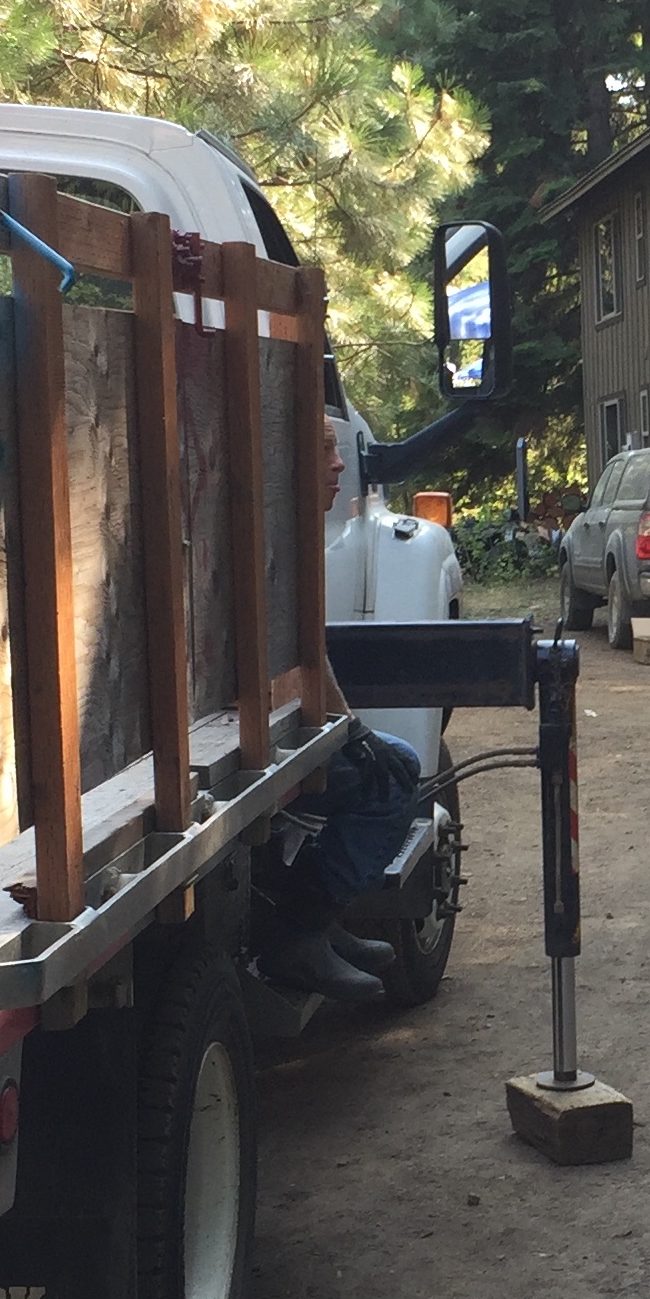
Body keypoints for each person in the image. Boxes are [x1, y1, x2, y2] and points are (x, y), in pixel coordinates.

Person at [257, 419, 406, 1006]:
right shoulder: (276, 544)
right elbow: (302, 662)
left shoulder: (283, 532)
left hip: (270, 726)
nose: (341, 465)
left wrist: (349, 730)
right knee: (394, 777)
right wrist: (355, 735)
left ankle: (314, 922)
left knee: (379, 759)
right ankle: (296, 931)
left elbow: (307, 656)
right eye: (325, 452)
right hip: (251, 741)